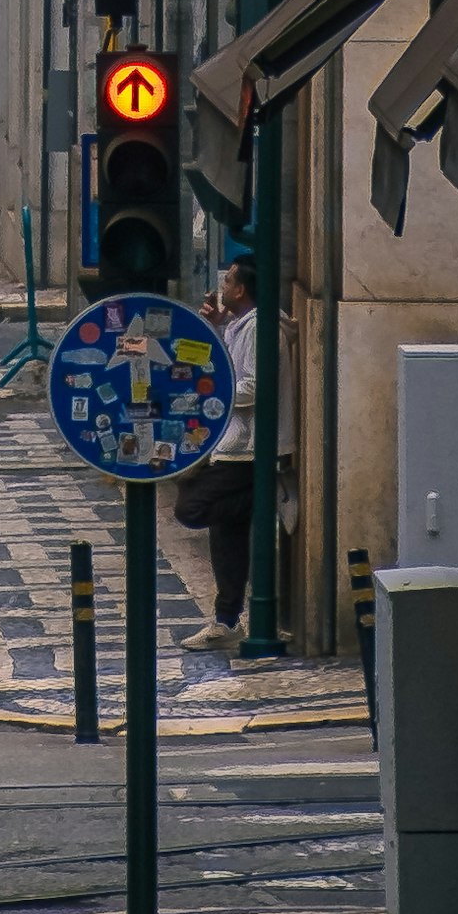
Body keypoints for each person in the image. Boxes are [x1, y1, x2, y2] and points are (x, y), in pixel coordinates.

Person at [192, 259, 262, 641]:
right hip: (230, 444)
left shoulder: (258, 328)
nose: (222, 285)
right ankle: (226, 618)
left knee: (192, 506)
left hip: (244, 448)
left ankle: (257, 500)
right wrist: (219, 327)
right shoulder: (239, 326)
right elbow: (228, 368)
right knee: (225, 539)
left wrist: (214, 395)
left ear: (241, 290)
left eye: (229, 280)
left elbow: (252, 384)